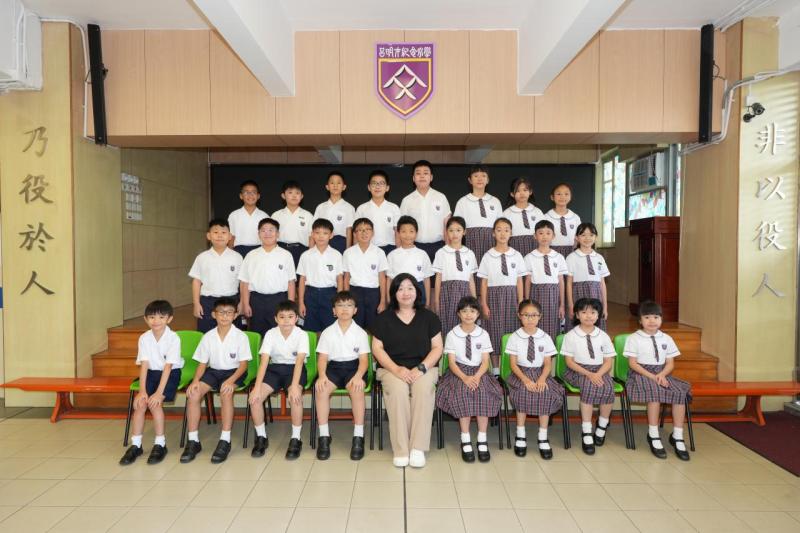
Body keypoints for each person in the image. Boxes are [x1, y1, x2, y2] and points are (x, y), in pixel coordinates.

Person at [371, 274, 443, 468]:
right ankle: (401, 449)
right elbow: (377, 348)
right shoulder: (383, 319)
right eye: (400, 288)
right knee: (398, 390)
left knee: (423, 389)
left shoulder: (429, 317)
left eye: (410, 288)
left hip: (424, 368)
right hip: (391, 368)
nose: (405, 292)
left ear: (417, 292)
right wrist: (396, 369)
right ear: (394, 293)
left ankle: (418, 448)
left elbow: (438, 347)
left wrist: (422, 368)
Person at [181, 297, 252, 464]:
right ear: (214, 315)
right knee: (193, 394)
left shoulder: (241, 336)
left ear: (235, 315)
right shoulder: (208, 336)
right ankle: (193, 440)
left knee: (225, 393)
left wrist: (231, 381)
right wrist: (195, 381)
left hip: (234, 372)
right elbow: (202, 364)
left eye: (229, 312)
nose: (225, 316)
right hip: (213, 371)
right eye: (221, 312)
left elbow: (243, 365)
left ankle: (225, 439)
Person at [435, 296, 503, 463]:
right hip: (458, 371)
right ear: (458, 314)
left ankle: (482, 439)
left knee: (484, 393)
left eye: (472, 311)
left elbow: (486, 361)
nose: (468, 314)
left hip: (480, 371)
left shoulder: (483, 334)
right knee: (462, 393)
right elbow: (451, 362)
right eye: (464, 311)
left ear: (478, 314)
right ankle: (465, 438)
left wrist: (477, 377)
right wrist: (465, 377)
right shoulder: (452, 334)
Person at [624, 300, 692, 461]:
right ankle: (653, 434)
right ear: (640, 320)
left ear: (661, 319)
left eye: (656, 317)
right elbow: (632, 363)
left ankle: (677, 436)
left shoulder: (667, 338)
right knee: (654, 393)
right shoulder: (634, 338)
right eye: (647, 317)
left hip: (662, 373)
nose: (652, 321)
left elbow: (670, 363)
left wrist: (661, 374)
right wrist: (653, 377)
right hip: (640, 374)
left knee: (679, 392)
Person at [119, 300, 183, 466]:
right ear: (146, 319)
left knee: (155, 404)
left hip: (170, 373)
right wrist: (142, 391)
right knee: (140, 403)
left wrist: (159, 393)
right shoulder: (144, 338)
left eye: (161, 317)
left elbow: (168, 367)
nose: (156, 321)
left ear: (169, 319)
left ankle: (160, 444)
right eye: (152, 317)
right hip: (151, 372)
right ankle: (136, 445)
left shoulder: (173, 338)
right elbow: (144, 365)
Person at [248, 300, 309, 460]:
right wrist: (257, 387)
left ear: (296, 318)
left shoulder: (302, 335)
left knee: (295, 398)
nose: (286, 320)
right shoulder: (270, 333)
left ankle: (296, 438)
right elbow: (264, 362)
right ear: (276, 319)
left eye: (290, 316)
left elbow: (299, 362)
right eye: (282, 317)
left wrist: (294, 386)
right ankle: (261, 437)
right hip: (274, 369)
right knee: (255, 399)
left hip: (295, 370)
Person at [504, 299, 564, 460]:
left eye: (534, 315)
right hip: (520, 373)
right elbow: (513, 365)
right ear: (519, 316)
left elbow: (548, 364)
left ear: (540, 316)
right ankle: (520, 434)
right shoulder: (515, 337)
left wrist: (542, 379)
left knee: (545, 392)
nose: (530, 319)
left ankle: (543, 436)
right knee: (523, 392)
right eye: (526, 315)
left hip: (540, 373)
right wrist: (525, 380)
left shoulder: (545, 337)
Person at [314, 291, 371, 461]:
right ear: (334, 311)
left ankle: (358, 437)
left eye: (349, 305)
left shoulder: (360, 333)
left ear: (355, 310)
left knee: (357, 390)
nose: (344, 309)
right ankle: (324, 436)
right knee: (321, 390)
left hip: (354, 368)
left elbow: (364, 361)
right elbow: (322, 358)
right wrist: (322, 376)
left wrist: (359, 376)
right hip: (333, 368)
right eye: (340, 305)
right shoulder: (327, 332)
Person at [561, 298, 616, 456]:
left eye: (593, 312)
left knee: (608, 387)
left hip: (599, 370)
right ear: (577, 315)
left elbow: (608, 361)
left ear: (598, 315)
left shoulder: (603, 336)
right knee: (588, 386)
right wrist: (589, 374)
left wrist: (598, 374)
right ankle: (586, 431)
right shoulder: (571, 335)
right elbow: (569, 362)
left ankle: (602, 425)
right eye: (584, 312)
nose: (588, 316)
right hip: (577, 370)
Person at [478, 217, 525, 371]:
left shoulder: (516, 255)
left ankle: (510, 369)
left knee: (512, 330)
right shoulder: (488, 255)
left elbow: (519, 280)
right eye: (499, 230)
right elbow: (483, 282)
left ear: (511, 233)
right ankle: (496, 370)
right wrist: (484, 304)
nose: (503, 234)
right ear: (493, 233)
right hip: (494, 297)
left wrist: (521, 301)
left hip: (511, 296)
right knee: (494, 331)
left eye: (506, 230)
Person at [238, 218, 296, 337]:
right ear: (258, 234)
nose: (267, 233)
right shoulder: (251, 255)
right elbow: (244, 282)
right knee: (256, 333)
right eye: (263, 230)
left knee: (279, 334)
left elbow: (291, 282)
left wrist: (290, 305)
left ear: (277, 234)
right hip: (256, 301)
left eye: (271, 230)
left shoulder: (286, 255)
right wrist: (245, 303)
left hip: (279, 300)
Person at [189, 219, 243, 333]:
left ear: (230, 236)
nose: (219, 235)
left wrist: (242, 302)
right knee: (206, 334)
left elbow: (243, 282)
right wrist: (196, 303)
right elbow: (196, 281)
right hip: (208, 303)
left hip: (231, 301)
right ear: (208, 236)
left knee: (232, 335)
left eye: (223, 232)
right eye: (215, 232)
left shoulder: (237, 257)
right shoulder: (202, 257)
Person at [453, 165, 502, 279]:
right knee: (471, 270)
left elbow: (500, 225)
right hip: (470, 240)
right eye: (476, 176)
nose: (480, 179)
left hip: (491, 240)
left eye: (483, 176)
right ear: (470, 180)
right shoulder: (463, 201)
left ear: (488, 180)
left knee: (490, 270)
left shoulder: (495, 201)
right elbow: (456, 225)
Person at [432, 216, 477, 336]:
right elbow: (438, 277)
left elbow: (471, 279)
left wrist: (474, 299)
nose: (455, 234)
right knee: (447, 324)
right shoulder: (441, 252)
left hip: (464, 292)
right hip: (447, 292)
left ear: (464, 232)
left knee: (465, 322)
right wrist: (436, 300)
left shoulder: (470, 253)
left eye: (458, 230)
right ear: (446, 232)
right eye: (451, 230)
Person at [297, 218, 344, 332]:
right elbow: (302, 279)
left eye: (325, 233)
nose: (321, 236)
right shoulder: (306, 255)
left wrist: (339, 303)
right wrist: (301, 302)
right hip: (310, 295)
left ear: (331, 235)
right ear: (312, 234)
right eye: (317, 232)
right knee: (309, 328)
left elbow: (339, 279)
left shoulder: (336, 255)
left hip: (330, 295)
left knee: (330, 329)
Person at [400, 160, 451, 263]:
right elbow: (401, 227)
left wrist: (448, 248)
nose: (422, 176)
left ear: (431, 177)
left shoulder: (441, 197)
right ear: (413, 178)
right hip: (414, 247)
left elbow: (447, 224)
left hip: (438, 247)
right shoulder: (407, 200)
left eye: (426, 173)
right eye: (418, 173)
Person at [524, 220, 567, 340]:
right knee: (535, 323)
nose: (544, 236)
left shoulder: (559, 257)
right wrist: (527, 302)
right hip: (536, 294)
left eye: (548, 233)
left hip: (553, 296)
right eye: (541, 233)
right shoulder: (529, 257)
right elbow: (527, 281)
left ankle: (550, 349)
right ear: (535, 236)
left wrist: (562, 304)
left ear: (553, 236)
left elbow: (561, 281)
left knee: (552, 325)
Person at [342, 218, 388, 331]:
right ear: (354, 234)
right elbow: (346, 277)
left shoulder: (379, 253)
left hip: (373, 294)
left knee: (374, 327)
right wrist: (347, 299)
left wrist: (382, 301)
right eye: (360, 230)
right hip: (354, 292)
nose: (364, 233)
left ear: (373, 232)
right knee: (355, 327)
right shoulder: (348, 253)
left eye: (368, 229)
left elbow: (382, 278)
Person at [566, 222, 610, 331]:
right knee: (578, 325)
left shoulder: (599, 258)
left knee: (595, 324)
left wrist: (605, 306)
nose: (587, 238)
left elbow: (602, 284)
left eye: (591, 235)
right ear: (577, 238)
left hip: (596, 295)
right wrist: (571, 305)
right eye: (583, 235)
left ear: (596, 237)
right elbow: (569, 283)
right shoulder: (571, 257)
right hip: (578, 295)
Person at [386, 216, 433, 306]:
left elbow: (427, 280)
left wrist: (427, 302)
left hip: (418, 289)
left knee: (418, 314)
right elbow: (389, 279)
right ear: (398, 233)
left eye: (411, 231)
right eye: (404, 231)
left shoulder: (422, 254)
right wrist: (388, 299)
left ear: (416, 233)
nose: (407, 235)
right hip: (398, 290)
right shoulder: (392, 255)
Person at [354, 170, 402, 256]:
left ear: (387, 188)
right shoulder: (362, 209)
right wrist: (356, 253)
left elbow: (397, 233)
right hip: (368, 249)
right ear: (369, 187)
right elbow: (356, 233)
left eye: (381, 183)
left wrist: (399, 253)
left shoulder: (394, 208)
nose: (377, 186)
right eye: (374, 183)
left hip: (390, 249)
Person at [272, 180, 313, 268]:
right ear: (283, 196)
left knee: (300, 275)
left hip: (301, 251)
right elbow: (272, 236)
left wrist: (311, 254)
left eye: (297, 193)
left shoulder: (308, 215)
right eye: (290, 192)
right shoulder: (276, 215)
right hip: (281, 250)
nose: (294, 196)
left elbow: (311, 237)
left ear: (301, 196)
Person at [313, 171, 355, 254]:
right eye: (332, 183)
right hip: (322, 242)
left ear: (344, 187)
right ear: (327, 187)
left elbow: (349, 230)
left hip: (340, 243)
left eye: (338, 183)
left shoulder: (349, 207)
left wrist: (347, 251)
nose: (335, 186)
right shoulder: (321, 207)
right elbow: (314, 228)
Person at [503, 177, 543, 258]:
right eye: (518, 191)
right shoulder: (507, 213)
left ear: (530, 192)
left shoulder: (537, 212)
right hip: (514, 246)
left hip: (535, 246)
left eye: (525, 190)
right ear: (512, 194)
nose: (522, 193)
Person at [228, 180, 269, 257]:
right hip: (239, 250)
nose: (250, 195)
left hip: (259, 250)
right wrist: (230, 254)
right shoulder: (234, 215)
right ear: (241, 196)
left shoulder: (264, 216)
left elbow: (267, 238)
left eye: (253, 192)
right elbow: (231, 237)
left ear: (258, 196)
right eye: (246, 192)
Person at [544, 183, 580, 260]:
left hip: (572, 252)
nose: (562, 197)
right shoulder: (546, 217)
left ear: (570, 197)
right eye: (559, 194)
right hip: (551, 252)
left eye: (566, 194)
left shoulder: (575, 217)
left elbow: (579, 237)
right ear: (552, 197)